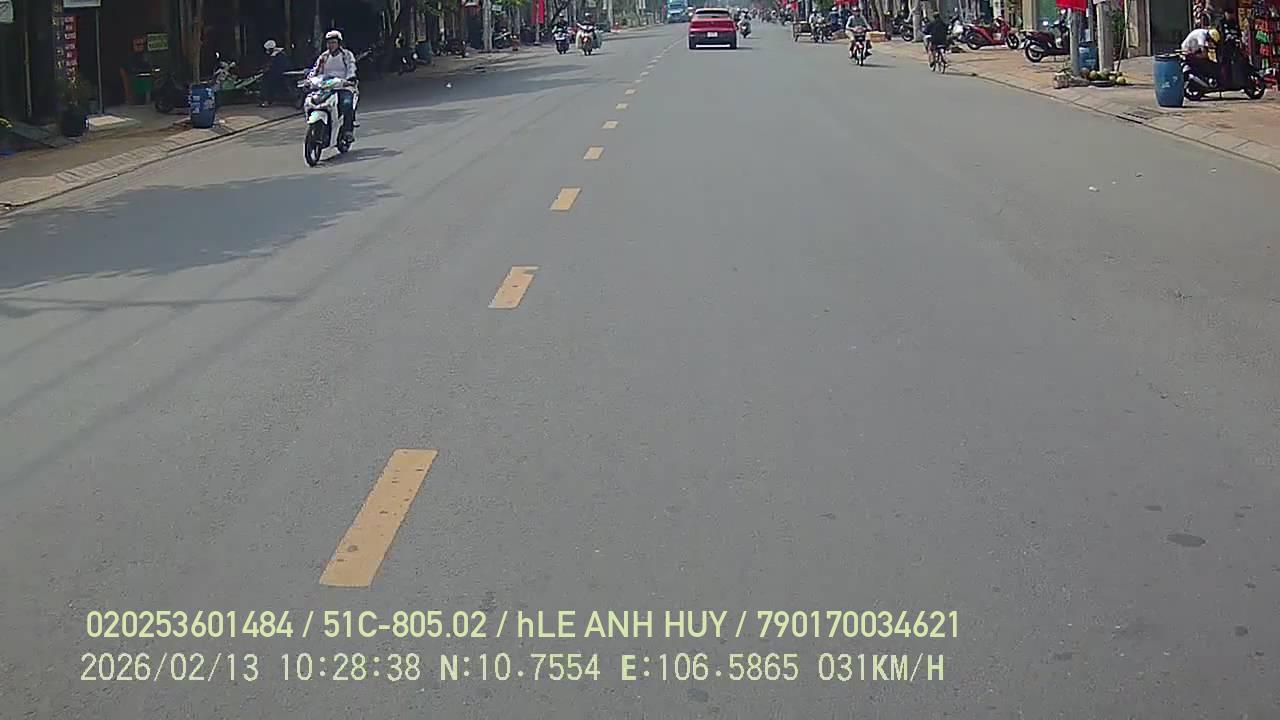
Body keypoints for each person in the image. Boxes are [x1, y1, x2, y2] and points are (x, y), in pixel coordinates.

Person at [312, 30, 358, 139]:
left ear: (339, 43)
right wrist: (309, 80)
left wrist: (350, 78)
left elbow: (351, 67)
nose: (331, 45)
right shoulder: (324, 56)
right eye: (329, 43)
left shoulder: (346, 55)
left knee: (347, 104)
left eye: (333, 42)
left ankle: (348, 130)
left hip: (344, 86)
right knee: (313, 102)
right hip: (326, 87)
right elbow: (315, 70)